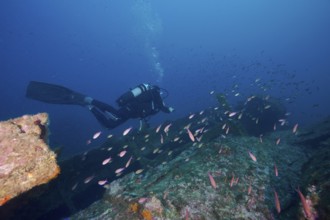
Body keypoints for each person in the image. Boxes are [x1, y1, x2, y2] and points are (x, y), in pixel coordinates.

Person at [26, 81, 174, 130]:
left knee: (110, 125)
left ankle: (90, 105)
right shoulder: (155, 94)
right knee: (114, 115)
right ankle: (90, 101)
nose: (162, 97)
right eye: (162, 96)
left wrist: (143, 124)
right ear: (161, 93)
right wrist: (169, 109)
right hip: (130, 109)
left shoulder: (154, 101)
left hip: (131, 112)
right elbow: (164, 108)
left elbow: (144, 114)